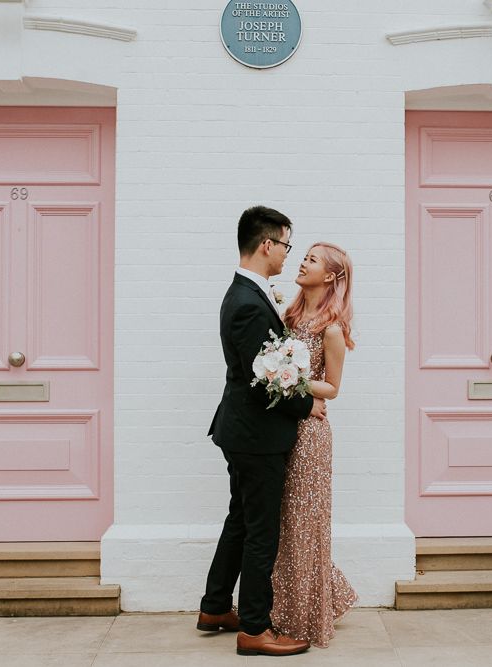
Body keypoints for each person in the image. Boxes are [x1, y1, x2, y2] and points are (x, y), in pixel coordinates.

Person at [197, 206, 326, 657]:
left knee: (240, 518)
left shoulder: (248, 294)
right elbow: (261, 381)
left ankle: (215, 607)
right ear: (267, 244)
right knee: (260, 530)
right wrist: (308, 404)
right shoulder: (249, 304)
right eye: (287, 246)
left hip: (242, 432)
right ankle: (255, 628)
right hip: (256, 435)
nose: (289, 256)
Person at [270, 242, 358, 648]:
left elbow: (333, 388)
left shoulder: (332, 328)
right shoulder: (287, 314)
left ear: (330, 277)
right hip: (283, 427)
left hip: (311, 436)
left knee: (307, 525)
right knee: (286, 524)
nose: (301, 262)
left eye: (311, 259)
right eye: (302, 255)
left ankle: (306, 616)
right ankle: (291, 606)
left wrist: (290, 379)